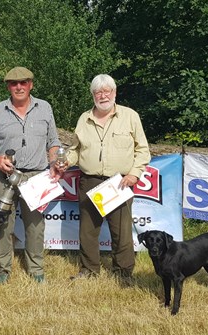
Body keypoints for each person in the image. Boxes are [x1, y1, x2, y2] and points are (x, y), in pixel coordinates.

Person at [0, 66, 62, 284]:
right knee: (3, 224)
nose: (19, 87)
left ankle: (36, 269)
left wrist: (54, 162)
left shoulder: (45, 108)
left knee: (35, 225)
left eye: (23, 82)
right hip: (3, 177)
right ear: (8, 87)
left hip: (36, 176)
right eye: (14, 83)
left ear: (31, 84)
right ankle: (3, 270)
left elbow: (53, 142)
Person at [65, 74, 150, 282]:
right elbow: (76, 149)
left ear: (115, 92)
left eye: (107, 91)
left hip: (119, 183)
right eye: (98, 92)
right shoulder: (84, 119)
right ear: (93, 94)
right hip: (89, 181)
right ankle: (89, 271)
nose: (103, 96)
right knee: (87, 231)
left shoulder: (130, 116)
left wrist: (134, 174)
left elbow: (143, 150)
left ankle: (123, 273)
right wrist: (65, 161)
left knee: (121, 232)